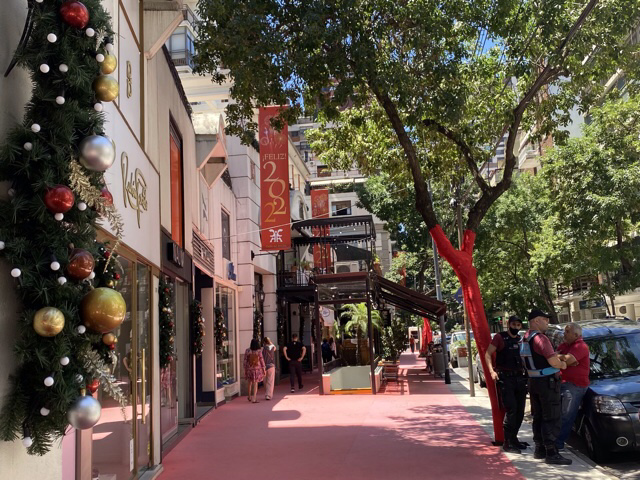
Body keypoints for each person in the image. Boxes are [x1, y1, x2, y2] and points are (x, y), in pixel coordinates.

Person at [521, 309, 572, 465]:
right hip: (547, 383)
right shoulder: (541, 339)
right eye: (545, 319)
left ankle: (540, 449)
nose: (547, 323)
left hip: (534, 381)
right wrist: (562, 364)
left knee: (539, 416)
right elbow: (553, 362)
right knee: (552, 416)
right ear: (536, 321)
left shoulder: (525, 337)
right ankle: (552, 452)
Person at [484, 315, 528, 453]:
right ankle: (507, 442)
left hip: (520, 378)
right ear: (509, 324)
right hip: (505, 378)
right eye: (514, 324)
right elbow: (487, 354)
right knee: (512, 409)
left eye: (518, 325)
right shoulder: (500, 337)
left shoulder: (521, 339)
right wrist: (492, 371)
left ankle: (514, 439)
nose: (516, 327)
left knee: (520, 411)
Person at [556, 323, 590, 450]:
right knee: (559, 414)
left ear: (576, 335)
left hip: (575, 386)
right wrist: (562, 358)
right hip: (562, 383)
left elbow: (567, 360)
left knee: (566, 415)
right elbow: (553, 358)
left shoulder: (580, 346)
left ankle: (558, 443)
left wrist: (564, 359)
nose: (564, 334)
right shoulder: (565, 346)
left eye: (567, 331)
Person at [244, 339, 266, 403]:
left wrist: (245, 368)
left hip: (249, 369)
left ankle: (249, 396)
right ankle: (254, 398)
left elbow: (245, 360)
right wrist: (263, 369)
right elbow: (261, 360)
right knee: (255, 383)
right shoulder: (259, 351)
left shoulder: (247, 350)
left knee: (249, 382)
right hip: (257, 369)